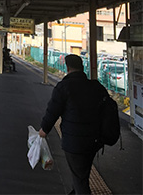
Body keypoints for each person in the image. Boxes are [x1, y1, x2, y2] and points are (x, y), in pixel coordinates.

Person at [39, 54, 109, 194]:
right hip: (94, 140)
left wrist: (44, 129)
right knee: (82, 173)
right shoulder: (96, 87)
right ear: (82, 68)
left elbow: (53, 111)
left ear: (67, 68)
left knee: (79, 177)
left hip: (74, 142)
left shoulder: (64, 87)